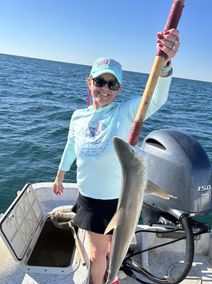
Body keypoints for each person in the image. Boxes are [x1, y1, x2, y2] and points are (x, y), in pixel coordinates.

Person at [52, 28, 180, 284]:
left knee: (103, 248)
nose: (105, 89)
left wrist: (165, 63)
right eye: (100, 81)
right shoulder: (78, 117)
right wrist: (60, 175)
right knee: (98, 253)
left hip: (118, 199)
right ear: (89, 82)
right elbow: (70, 146)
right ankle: (107, 277)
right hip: (89, 197)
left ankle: (106, 276)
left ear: (119, 88)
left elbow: (154, 99)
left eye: (112, 84)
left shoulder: (124, 113)